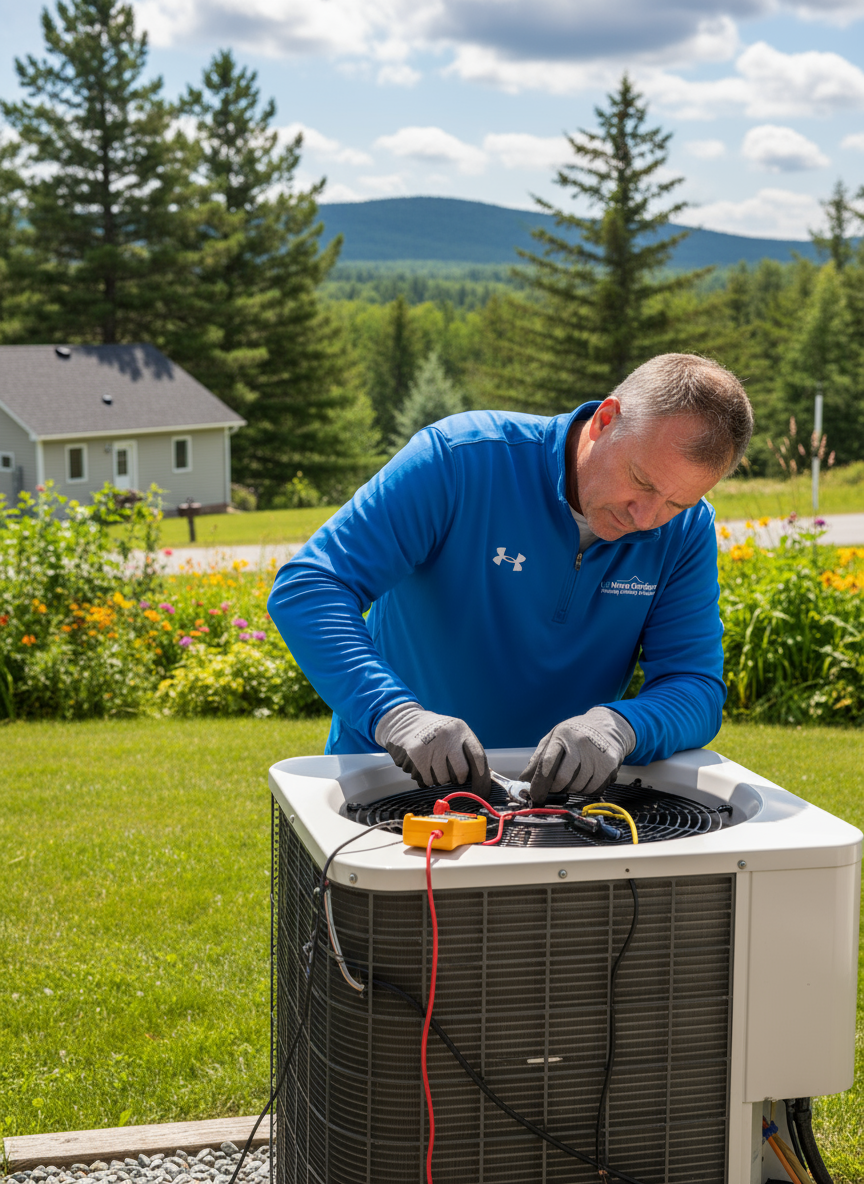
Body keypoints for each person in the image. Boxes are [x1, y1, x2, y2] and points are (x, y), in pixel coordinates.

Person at [268, 353, 753, 804]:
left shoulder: (687, 530)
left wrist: (621, 726)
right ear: (605, 420)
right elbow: (311, 587)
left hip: (551, 803)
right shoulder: (460, 459)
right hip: (388, 776)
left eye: (675, 502)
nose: (645, 519)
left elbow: (694, 684)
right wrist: (398, 715)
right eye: (642, 481)